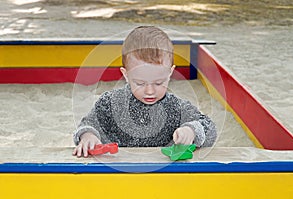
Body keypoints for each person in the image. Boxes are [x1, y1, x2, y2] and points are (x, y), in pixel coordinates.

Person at [73, 26, 217, 157]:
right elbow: (88, 123)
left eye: (159, 82)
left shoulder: (176, 107)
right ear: (126, 75)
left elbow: (209, 128)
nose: (150, 91)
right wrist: (88, 135)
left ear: (170, 73)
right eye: (140, 83)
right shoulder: (110, 103)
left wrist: (191, 130)